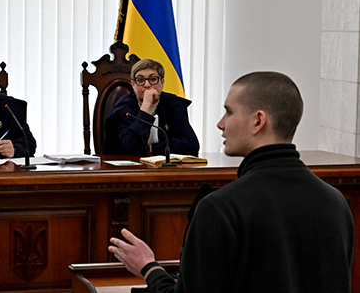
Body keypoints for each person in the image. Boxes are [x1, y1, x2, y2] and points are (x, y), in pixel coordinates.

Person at [108, 72, 354, 292]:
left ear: (258, 121)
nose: (220, 123)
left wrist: (149, 268)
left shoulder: (220, 208)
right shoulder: (336, 202)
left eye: (229, 111)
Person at [102, 58, 199, 156]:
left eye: (153, 79)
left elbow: (191, 145)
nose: (147, 85)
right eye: (140, 80)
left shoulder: (172, 104)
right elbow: (132, 148)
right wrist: (146, 107)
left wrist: (153, 148)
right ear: (133, 85)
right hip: (126, 168)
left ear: (162, 82)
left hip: (165, 168)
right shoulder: (124, 109)